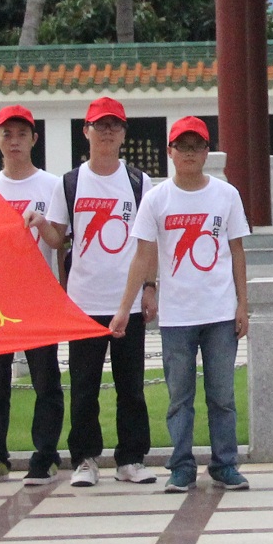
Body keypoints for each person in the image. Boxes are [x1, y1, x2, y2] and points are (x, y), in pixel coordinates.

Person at [116, 118, 251, 493]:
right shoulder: (156, 199)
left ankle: (225, 464)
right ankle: (181, 466)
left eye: (197, 146)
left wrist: (243, 304)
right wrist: (125, 307)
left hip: (219, 313)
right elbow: (142, 255)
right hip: (177, 316)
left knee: (222, 396)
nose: (189, 153)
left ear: (207, 153)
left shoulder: (226, 195)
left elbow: (237, 251)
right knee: (179, 398)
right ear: (170, 152)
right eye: (182, 146)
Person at [0, 105, 69, 486]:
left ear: (34, 139)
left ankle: (45, 456)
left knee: (46, 382)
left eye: (22, 134)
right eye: (7, 134)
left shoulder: (52, 186)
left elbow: (61, 242)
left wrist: (41, 223)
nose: (14, 141)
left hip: (38, 300)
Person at [61, 97, 156, 486]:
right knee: (83, 388)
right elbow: (59, 238)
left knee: (131, 387)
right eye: (100, 125)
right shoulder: (69, 183)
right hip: (83, 301)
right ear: (86, 131)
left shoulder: (139, 182)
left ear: (123, 133)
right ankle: (84, 460)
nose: (107, 132)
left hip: (127, 301)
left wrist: (150, 287)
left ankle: (130, 458)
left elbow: (149, 244)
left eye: (114, 125)